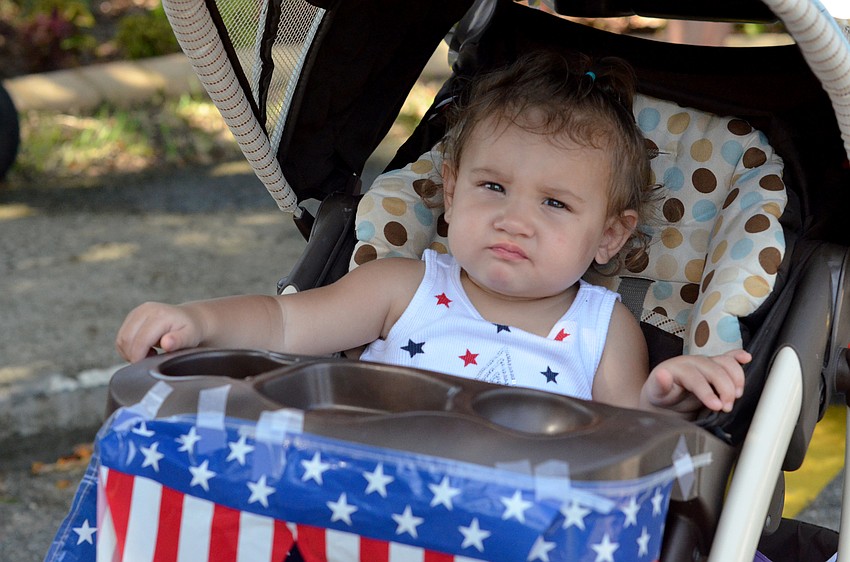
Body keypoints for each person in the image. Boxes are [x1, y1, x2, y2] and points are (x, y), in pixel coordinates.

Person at [116, 51, 749, 419]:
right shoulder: (402, 286)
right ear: (450, 193)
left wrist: (662, 396)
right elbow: (284, 326)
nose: (514, 219)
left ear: (609, 236)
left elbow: (625, 440)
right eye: (492, 187)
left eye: (555, 203)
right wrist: (198, 320)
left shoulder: (604, 327)